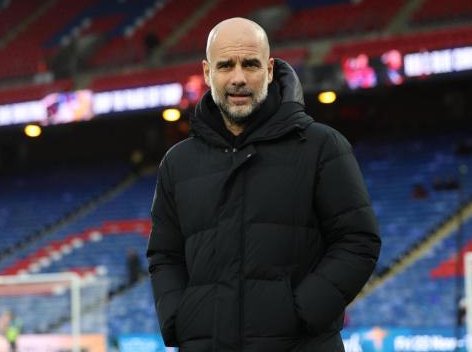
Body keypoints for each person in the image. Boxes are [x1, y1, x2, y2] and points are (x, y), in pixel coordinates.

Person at [146, 18, 381, 352]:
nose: (238, 78)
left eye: (250, 65)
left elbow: (359, 241)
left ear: (269, 70)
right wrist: (178, 319)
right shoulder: (178, 162)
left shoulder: (321, 146)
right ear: (206, 72)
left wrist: (301, 313)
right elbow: (164, 255)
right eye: (225, 65)